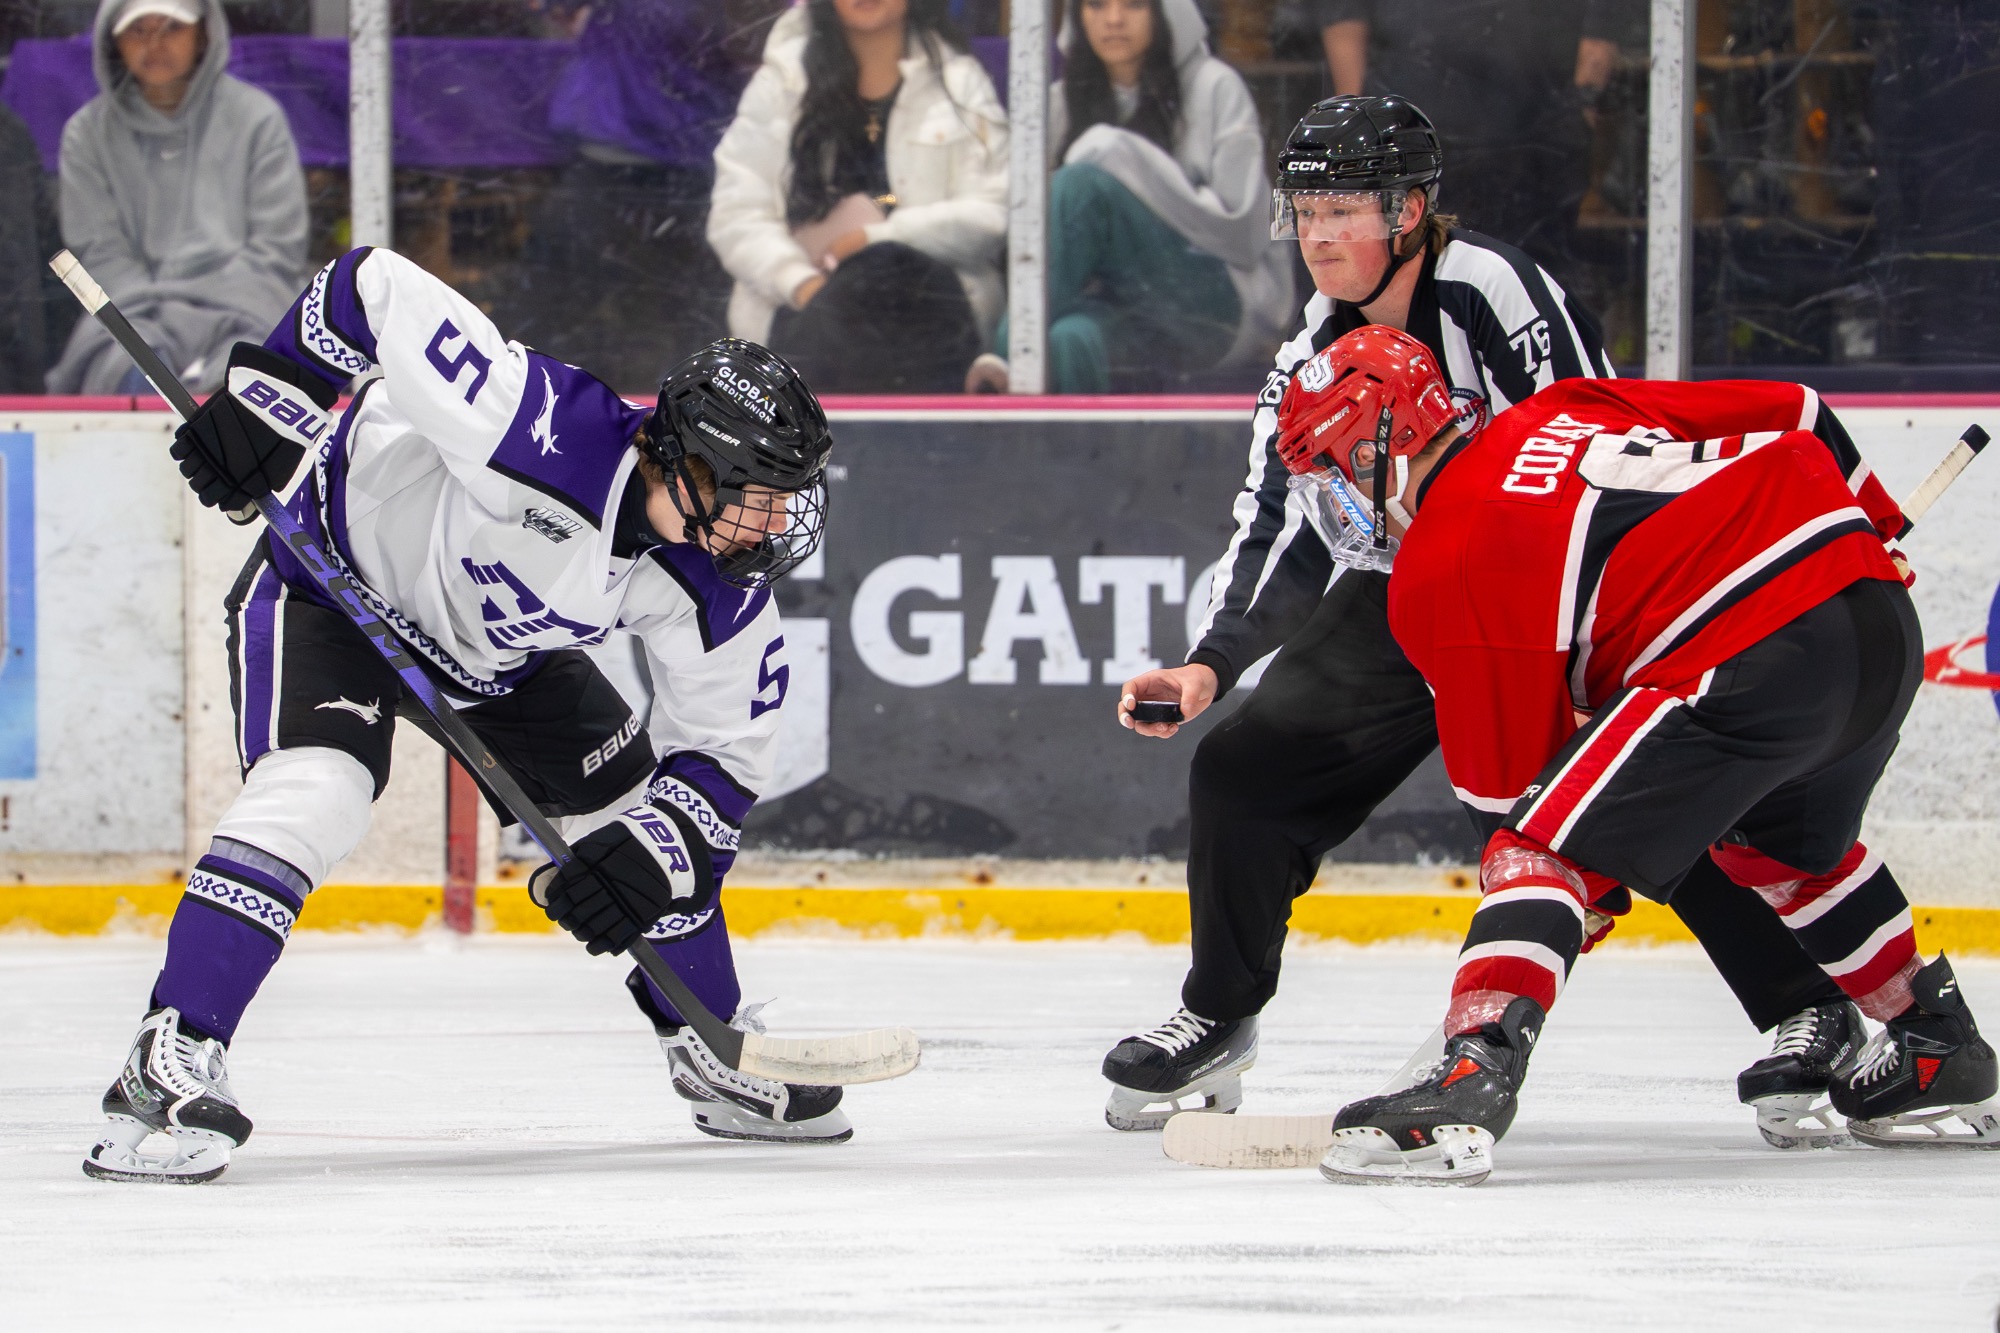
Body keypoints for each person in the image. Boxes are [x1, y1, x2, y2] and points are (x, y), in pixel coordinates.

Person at [1100, 95, 1871, 1152]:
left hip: (1541, 595)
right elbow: (1280, 515)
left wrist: (1578, 652)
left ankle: (1807, 1003)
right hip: (1405, 594)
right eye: (1303, 209)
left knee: (1619, 797)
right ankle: (1220, 1011)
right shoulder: (1309, 347)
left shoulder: (1492, 293)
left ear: (1409, 210)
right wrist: (1210, 660)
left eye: (1342, 208)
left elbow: (1593, 446)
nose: (1317, 234)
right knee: (1242, 767)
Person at [82, 244, 844, 1183]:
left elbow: (726, 750)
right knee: (318, 789)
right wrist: (270, 402)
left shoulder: (710, 575)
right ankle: (169, 1051)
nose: (770, 528)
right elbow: (368, 288)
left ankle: (712, 1046)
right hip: (327, 586)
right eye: (757, 498)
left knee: (633, 815)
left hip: (497, 660)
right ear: (687, 465)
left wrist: (657, 852)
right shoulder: (535, 426)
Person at [1274, 325, 1997, 1182]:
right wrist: (1873, 523)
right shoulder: (1555, 409)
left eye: (1329, 474)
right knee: (1782, 849)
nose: (1335, 508)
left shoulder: (1442, 565)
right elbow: (1797, 411)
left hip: (1747, 644)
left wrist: (1550, 918)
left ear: (1377, 451)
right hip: (1874, 613)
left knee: (1534, 847)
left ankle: (1472, 1076)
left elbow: (1522, 818)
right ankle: (1935, 1041)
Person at [969, 0, 1291, 393]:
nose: (1114, 20)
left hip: (1216, 304)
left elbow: (1242, 235)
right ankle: (1067, 454)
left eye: (1134, 4)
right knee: (1069, 339)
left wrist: (1123, 163)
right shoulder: (1059, 101)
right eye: (1097, 5)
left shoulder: (1214, 86)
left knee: (1081, 184)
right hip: (1115, 306)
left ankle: (1006, 358)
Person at [707, 0, 1008, 394]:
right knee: (844, 305)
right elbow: (737, 213)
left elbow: (995, 211)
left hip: (928, 309)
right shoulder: (783, 81)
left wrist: (875, 239)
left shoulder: (959, 82)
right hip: (802, 309)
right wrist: (803, 285)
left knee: (881, 268)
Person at [45, 0, 306, 397]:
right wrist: (154, 331)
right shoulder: (86, 134)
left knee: (253, 378)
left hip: (246, 310)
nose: (155, 43)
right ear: (113, 42)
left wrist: (207, 313)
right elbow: (99, 255)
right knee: (124, 369)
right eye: (138, 30)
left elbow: (276, 248)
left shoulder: (258, 119)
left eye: (171, 28)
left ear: (203, 34)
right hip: (132, 313)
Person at [1313, 0, 1618, 276]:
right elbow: (1343, 13)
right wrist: (1357, 129)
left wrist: (1581, 107)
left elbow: (1599, 36)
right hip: (1413, 135)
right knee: (1418, 280)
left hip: (1530, 139)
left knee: (1526, 284)